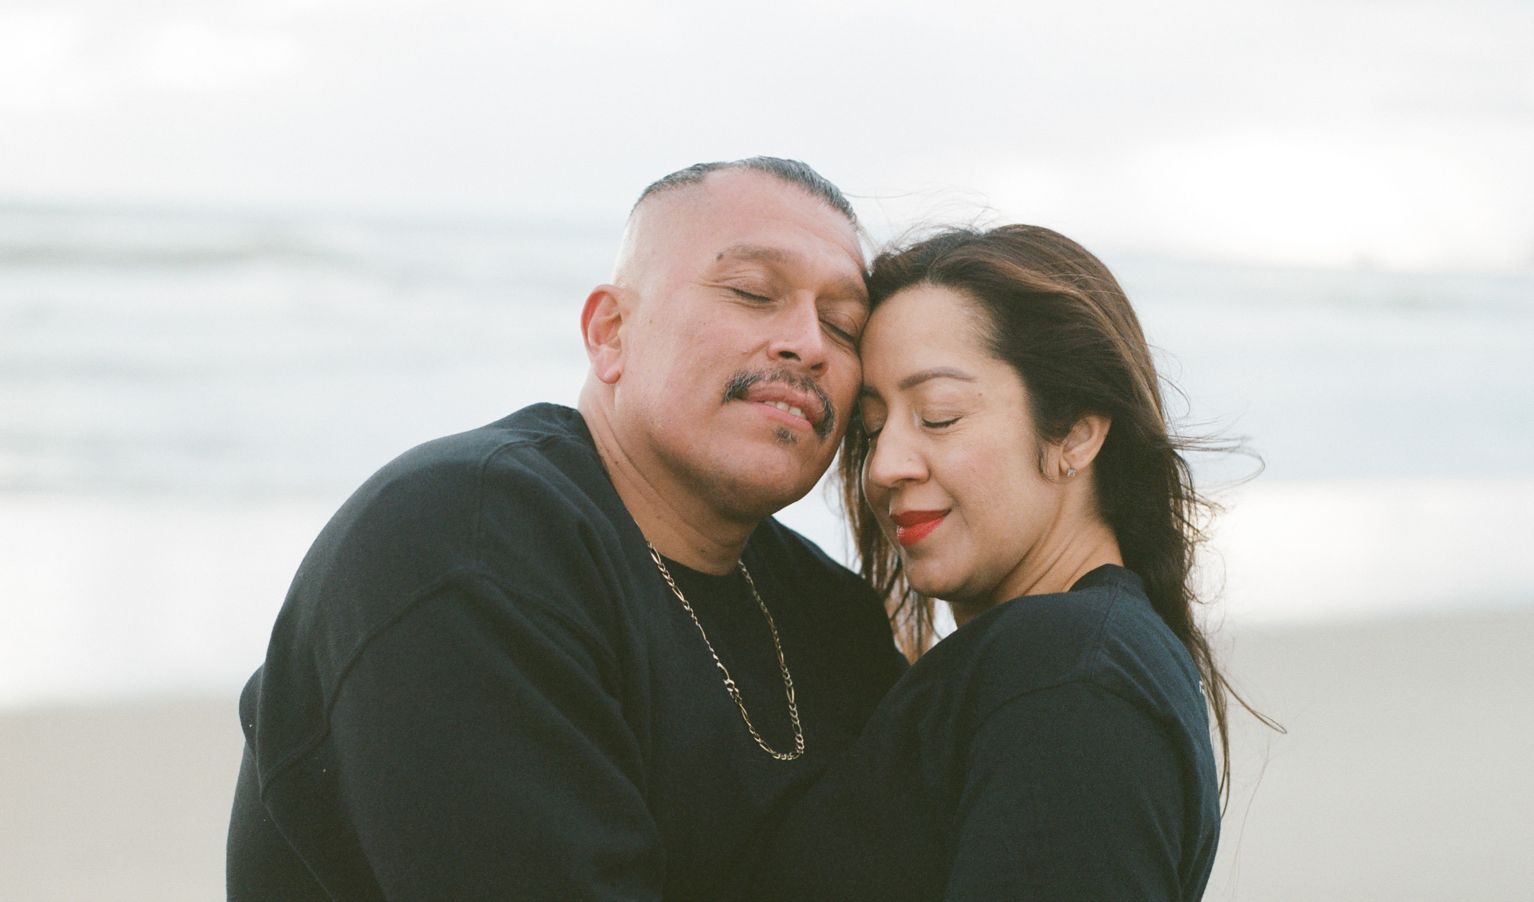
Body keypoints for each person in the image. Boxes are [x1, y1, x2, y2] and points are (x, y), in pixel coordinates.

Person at [226, 157, 907, 900]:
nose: (808, 343)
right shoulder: (466, 541)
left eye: (843, 326)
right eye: (752, 293)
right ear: (610, 333)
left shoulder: (831, 615)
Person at [743, 225, 1233, 900]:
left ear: (1076, 430)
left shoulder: (1069, 677)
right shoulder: (1083, 660)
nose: (885, 467)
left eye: (939, 416)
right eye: (872, 429)